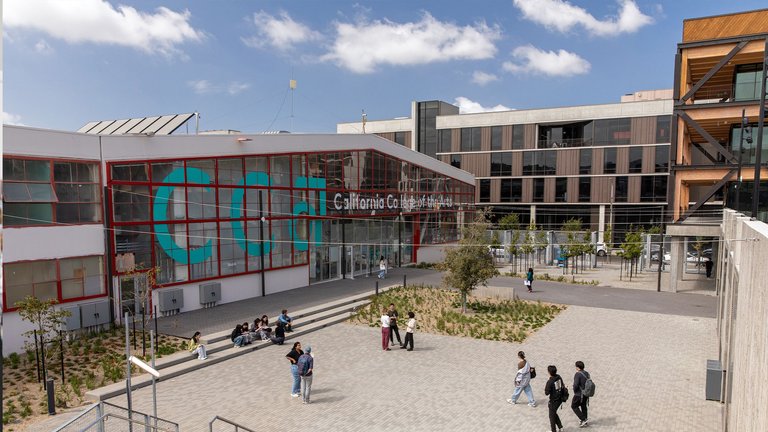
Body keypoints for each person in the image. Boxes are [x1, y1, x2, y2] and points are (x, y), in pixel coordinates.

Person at [544, 365, 565, 432]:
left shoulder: (550, 381)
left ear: (549, 372)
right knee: (553, 413)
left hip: (554, 401)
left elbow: (546, 393)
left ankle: (554, 430)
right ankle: (560, 427)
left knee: (551, 417)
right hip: (560, 399)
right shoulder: (559, 377)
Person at [572, 361, 591, 428]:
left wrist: (574, 390)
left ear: (577, 367)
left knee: (574, 406)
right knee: (583, 406)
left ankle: (583, 419)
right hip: (586, 393)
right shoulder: (587, 373)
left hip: (579, 394)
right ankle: (585, 421)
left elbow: (576, 385)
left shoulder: (578, 374)